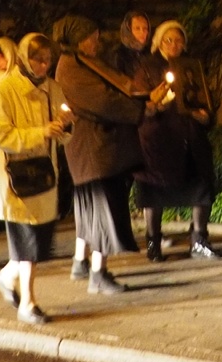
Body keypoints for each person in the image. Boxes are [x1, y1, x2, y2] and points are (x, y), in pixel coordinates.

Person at [57, 15, 164, 295]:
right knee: (103, 215)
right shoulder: (70, 68)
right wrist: (142, 108)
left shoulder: (83, 61)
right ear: (77, 40)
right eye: (90, 38)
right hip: (94, 151)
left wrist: (144, 98)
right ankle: (98, 274)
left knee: (93, 213)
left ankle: (82, 263)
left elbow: (116, 87)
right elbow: (103, 100)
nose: (96, 42)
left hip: (97, 150)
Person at [0, 31, 67, 325]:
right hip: (18, 177)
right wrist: (41, 132)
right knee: (28, 242)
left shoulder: (52, 88)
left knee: (38, 242)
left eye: (47, 60)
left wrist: (64, 126)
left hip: (45, 174)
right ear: (24, 57)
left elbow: (62, 133)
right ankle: (28, 302)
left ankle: (6, 277)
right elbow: (2, 135)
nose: (43, 65)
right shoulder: (6, 88)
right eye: (37, 59)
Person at [133, 19, 218, 260]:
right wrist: (155, 106)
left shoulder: (192, 66)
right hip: (159, 141)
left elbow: (206, 100)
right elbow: (138, 105)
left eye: (179, 40)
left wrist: (205, 116)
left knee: (200, 187)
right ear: (159, 42)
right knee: (154, 192)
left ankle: (199, 240)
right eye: (168, 40)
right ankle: (153, 242)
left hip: (190, 138)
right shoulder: (146, 67)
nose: (174, 44)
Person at [112, 12, 151, 79]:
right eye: (137, 28)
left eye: (145, 28)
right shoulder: (119, 55)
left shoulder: (149, 52)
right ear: (129, 30)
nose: (142, 32)